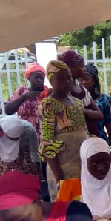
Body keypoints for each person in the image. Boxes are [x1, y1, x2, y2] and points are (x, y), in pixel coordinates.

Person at [39, 59, 89, 197]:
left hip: (82, 166)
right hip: (62, 168)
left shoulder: (77, 103)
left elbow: (85, 131)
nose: (67, 82)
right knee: (66, 209)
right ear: (51, 81)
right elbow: (47, 142)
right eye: (60, 79)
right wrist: (59, 177)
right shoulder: (48, 104)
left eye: (69, 78)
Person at [58, 50, 103, 136]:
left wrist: (81, 110)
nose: (84, 69)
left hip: (91, 139)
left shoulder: (83, 90)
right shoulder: (64, 92)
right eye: (81, 66)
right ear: (70, 68)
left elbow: (100, 115)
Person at [4, 62, 46, 140]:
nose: (39, 80)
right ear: (29, 77)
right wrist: (24, 97)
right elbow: (8, 110)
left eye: (41, 78)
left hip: (44, 136)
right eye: (36, 77)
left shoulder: (47, 93)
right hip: (24, 135)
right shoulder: (22, 92)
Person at [80, 63, 111, 140]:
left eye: (87, 79)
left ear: (94, 81)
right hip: (82, 140)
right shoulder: (75, 98)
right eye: (81, 79)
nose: (83, 82)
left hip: (100, 138)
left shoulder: (104, 99)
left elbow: (108, 122)